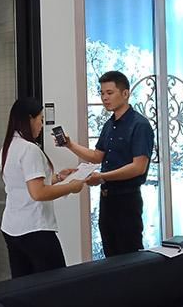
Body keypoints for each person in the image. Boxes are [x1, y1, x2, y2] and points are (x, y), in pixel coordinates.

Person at [60, 71, 154, 257]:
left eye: (109, 93)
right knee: (110, 253)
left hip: (127, 199)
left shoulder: (139, 125)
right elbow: (97, 156)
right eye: (102, 93)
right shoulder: (109, 125)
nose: (104, 98)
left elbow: (138, 167)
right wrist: (69, 145)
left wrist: (102, 177)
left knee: (129, 255)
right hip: (107, 199)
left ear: (125, 93)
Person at [0, 98, 84, 278]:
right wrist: (70, 187)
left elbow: (25, 184)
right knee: (55, 283)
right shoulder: (29, 149)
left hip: (12, 227)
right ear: (30, 118)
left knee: (24, 286)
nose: (42, 125)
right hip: (34, 228)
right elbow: (38, 193)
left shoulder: (8, 147)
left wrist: (58, 177)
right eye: (41, 119)